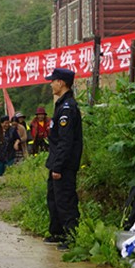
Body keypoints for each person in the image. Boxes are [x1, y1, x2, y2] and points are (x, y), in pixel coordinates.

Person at [43, 68, 83, 251]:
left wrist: (58, 166)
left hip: (64, 164)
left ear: (61, 83)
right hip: (56, 161)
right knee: (54, 198)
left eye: (53, 81)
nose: (51, 84)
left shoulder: (68, 108)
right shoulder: (61, 104)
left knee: (65, 199)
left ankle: (71, 235)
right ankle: (57, 232)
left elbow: (66, 141)